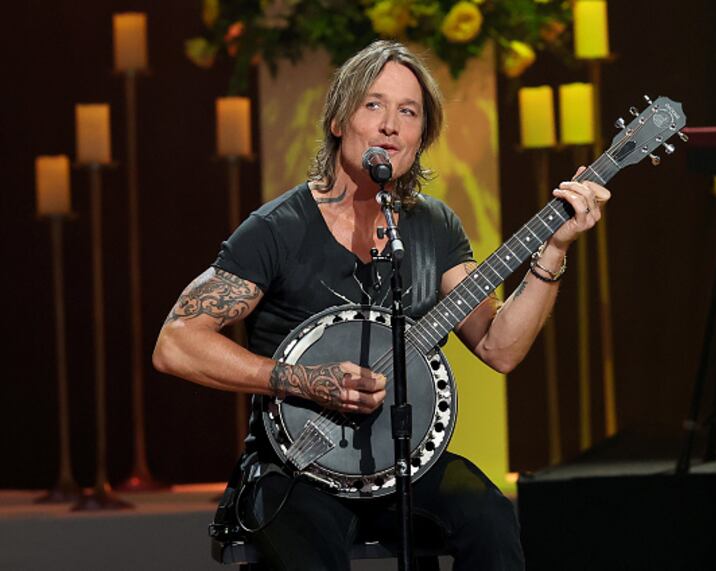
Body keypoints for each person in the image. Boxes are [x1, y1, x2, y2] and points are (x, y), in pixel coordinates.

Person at [153, 40, 610, 570]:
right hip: (296, 467)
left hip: (407, 466)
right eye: (374, 105)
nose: (391, 125)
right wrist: (302, 381)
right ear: (338, 120)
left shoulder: (434, 226)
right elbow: (176, 343)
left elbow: (498, 347)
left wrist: (553, 250)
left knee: (488, 516)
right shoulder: (276, 229)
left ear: (421, 137)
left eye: (409, 112)